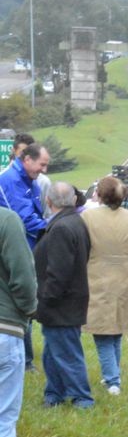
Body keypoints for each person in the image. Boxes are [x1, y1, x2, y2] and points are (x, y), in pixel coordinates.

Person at [82, 176, 128, 395]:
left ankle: (112, 381)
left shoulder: (88, 217)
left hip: (96, 275)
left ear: (100, 195)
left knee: (102, 332)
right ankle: (113, 376)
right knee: (116, 329)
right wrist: (125, 254)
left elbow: (79, 242)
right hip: (122, 275)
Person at [34, 182, 93, 409]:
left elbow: (58, 273)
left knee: (67, 354)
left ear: (48, 201)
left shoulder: (61, 228)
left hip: (60, 304)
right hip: (70, 301)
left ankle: (82, 399)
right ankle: (54, 395)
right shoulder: (75, 221)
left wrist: (45, 299)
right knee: (53, 351)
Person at [0, 191, 38, 437]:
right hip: (4, 329)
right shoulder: (7, 221)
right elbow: (23, 278)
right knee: (3, 417)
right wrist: (28, 311)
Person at [0, 137, 43, 371]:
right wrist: (53, 227)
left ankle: (26, 359)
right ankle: (25, 361)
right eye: (42, 165)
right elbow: (24, 219)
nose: (44, 170)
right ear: (26, 159)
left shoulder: (29, 180)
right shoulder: (11, 180)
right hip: (17, 248)